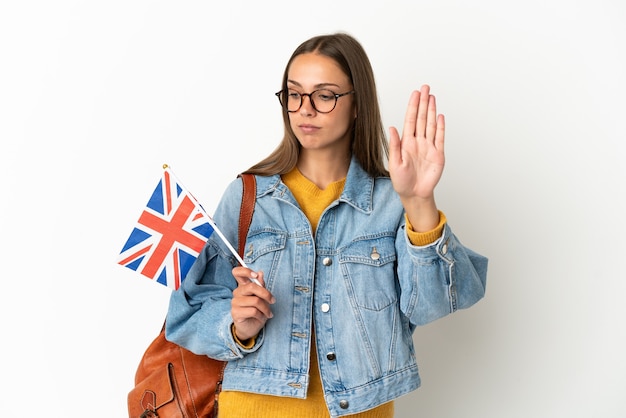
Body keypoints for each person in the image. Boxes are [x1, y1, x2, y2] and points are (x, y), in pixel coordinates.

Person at [165, 32, 488, 418]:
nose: (305, 109)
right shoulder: (248, 197)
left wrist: (419, 202)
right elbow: (185, 313)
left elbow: (432, 306)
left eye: (324, 95)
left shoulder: (392, 200)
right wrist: (236, 326)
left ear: (356, 106)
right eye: (294, 94)